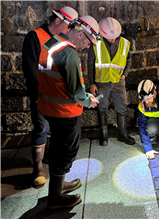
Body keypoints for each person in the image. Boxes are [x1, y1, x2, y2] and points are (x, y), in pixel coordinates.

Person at [38, 15, 100, 209]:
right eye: (89, 42)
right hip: (65, 111)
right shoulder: (69, 53)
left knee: (57, 146)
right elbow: (75, 92)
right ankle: (55, 198)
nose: (88, 47)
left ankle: (58, 185)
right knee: (64, 151)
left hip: (49, 106)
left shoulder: (53, 41)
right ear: (81, 34)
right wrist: (89, 100)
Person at [22, 6, 78, 187]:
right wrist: (39, 94)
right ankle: (37, 169)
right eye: (69, 25)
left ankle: (57, 178)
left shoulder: (62, 40)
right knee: (41, 128)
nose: (70, 30)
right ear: (58, 20)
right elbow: (31, 68)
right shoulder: (35, 36)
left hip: (58, 98)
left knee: (59, 135)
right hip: (42, 95)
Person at [87, 17, 135, 146]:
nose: (113, 39)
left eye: (114, 36)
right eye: (110, 36)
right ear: (103, 34)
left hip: (119, 82)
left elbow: (128, 60)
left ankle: (122, 134)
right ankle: (104, 135)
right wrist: (91, 83)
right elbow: (90, 63)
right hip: (101, 83)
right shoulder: (95, 43)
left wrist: (124, 75)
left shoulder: (125, 43)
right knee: (102, 108)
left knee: (122, 107)